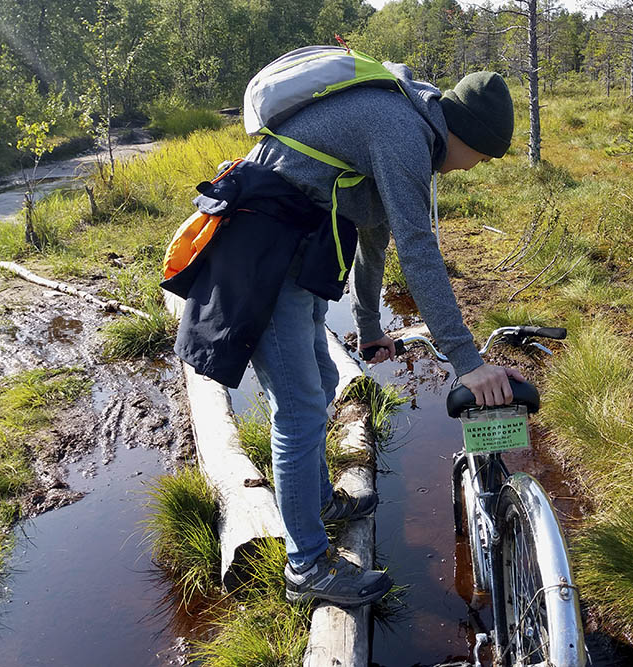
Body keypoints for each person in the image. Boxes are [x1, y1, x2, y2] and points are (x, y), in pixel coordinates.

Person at [169, 63, 524, 608]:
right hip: (265, 250)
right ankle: (306, 566)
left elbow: (374, 236)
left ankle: (318, 506)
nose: (471, 169)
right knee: (301, 407)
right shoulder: (403, 133)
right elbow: (417, 245)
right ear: (467, 137)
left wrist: (367, 327)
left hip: (295, 243)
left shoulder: (409, 126)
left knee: (324, 375)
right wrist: (467, 362)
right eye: (480, 158)